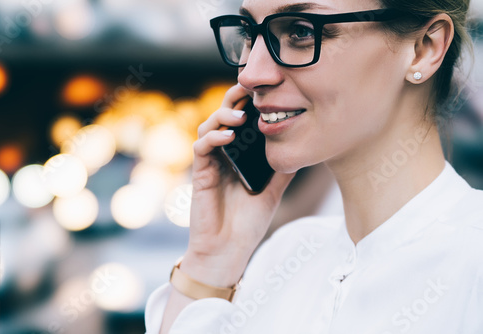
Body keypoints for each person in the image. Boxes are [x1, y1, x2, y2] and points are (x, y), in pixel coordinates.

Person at [146, 0, 483, 333]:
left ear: (424, 48)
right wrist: (212, 261)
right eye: (250, 34)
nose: (251, 74)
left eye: (300, 31)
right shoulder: (282, 258)